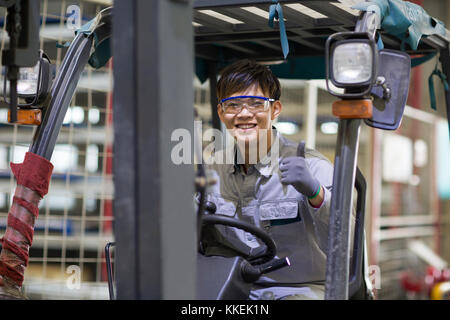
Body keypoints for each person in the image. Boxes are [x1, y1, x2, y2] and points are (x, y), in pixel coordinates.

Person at [202, 59, 335, 300]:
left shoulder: (314, 168)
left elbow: (343, 244)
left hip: (300, 290)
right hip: (232, 288)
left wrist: (317, 194)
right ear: (221, 113)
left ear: (275, 110)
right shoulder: (209, 172)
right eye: (233, 105)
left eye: (256, 104)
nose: (244, 113)